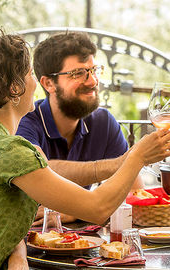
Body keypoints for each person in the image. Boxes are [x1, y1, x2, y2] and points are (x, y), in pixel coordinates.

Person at [0, 27, 170, 269]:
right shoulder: (10, 151)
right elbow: (97, 208)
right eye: (30, 73)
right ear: (14, 89)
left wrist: (18, 252)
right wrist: (137, 156)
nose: (35, 82)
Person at [16, 32, 143, 225]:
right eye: (78, 73)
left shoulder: (104, 122)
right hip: (27, 242)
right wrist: (121, 164)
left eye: (93, 70)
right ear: (48, 83)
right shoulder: (24, 123)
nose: (92, 81)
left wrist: (78, 212)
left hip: (86, 243)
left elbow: (136, 195)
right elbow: (39, 168)